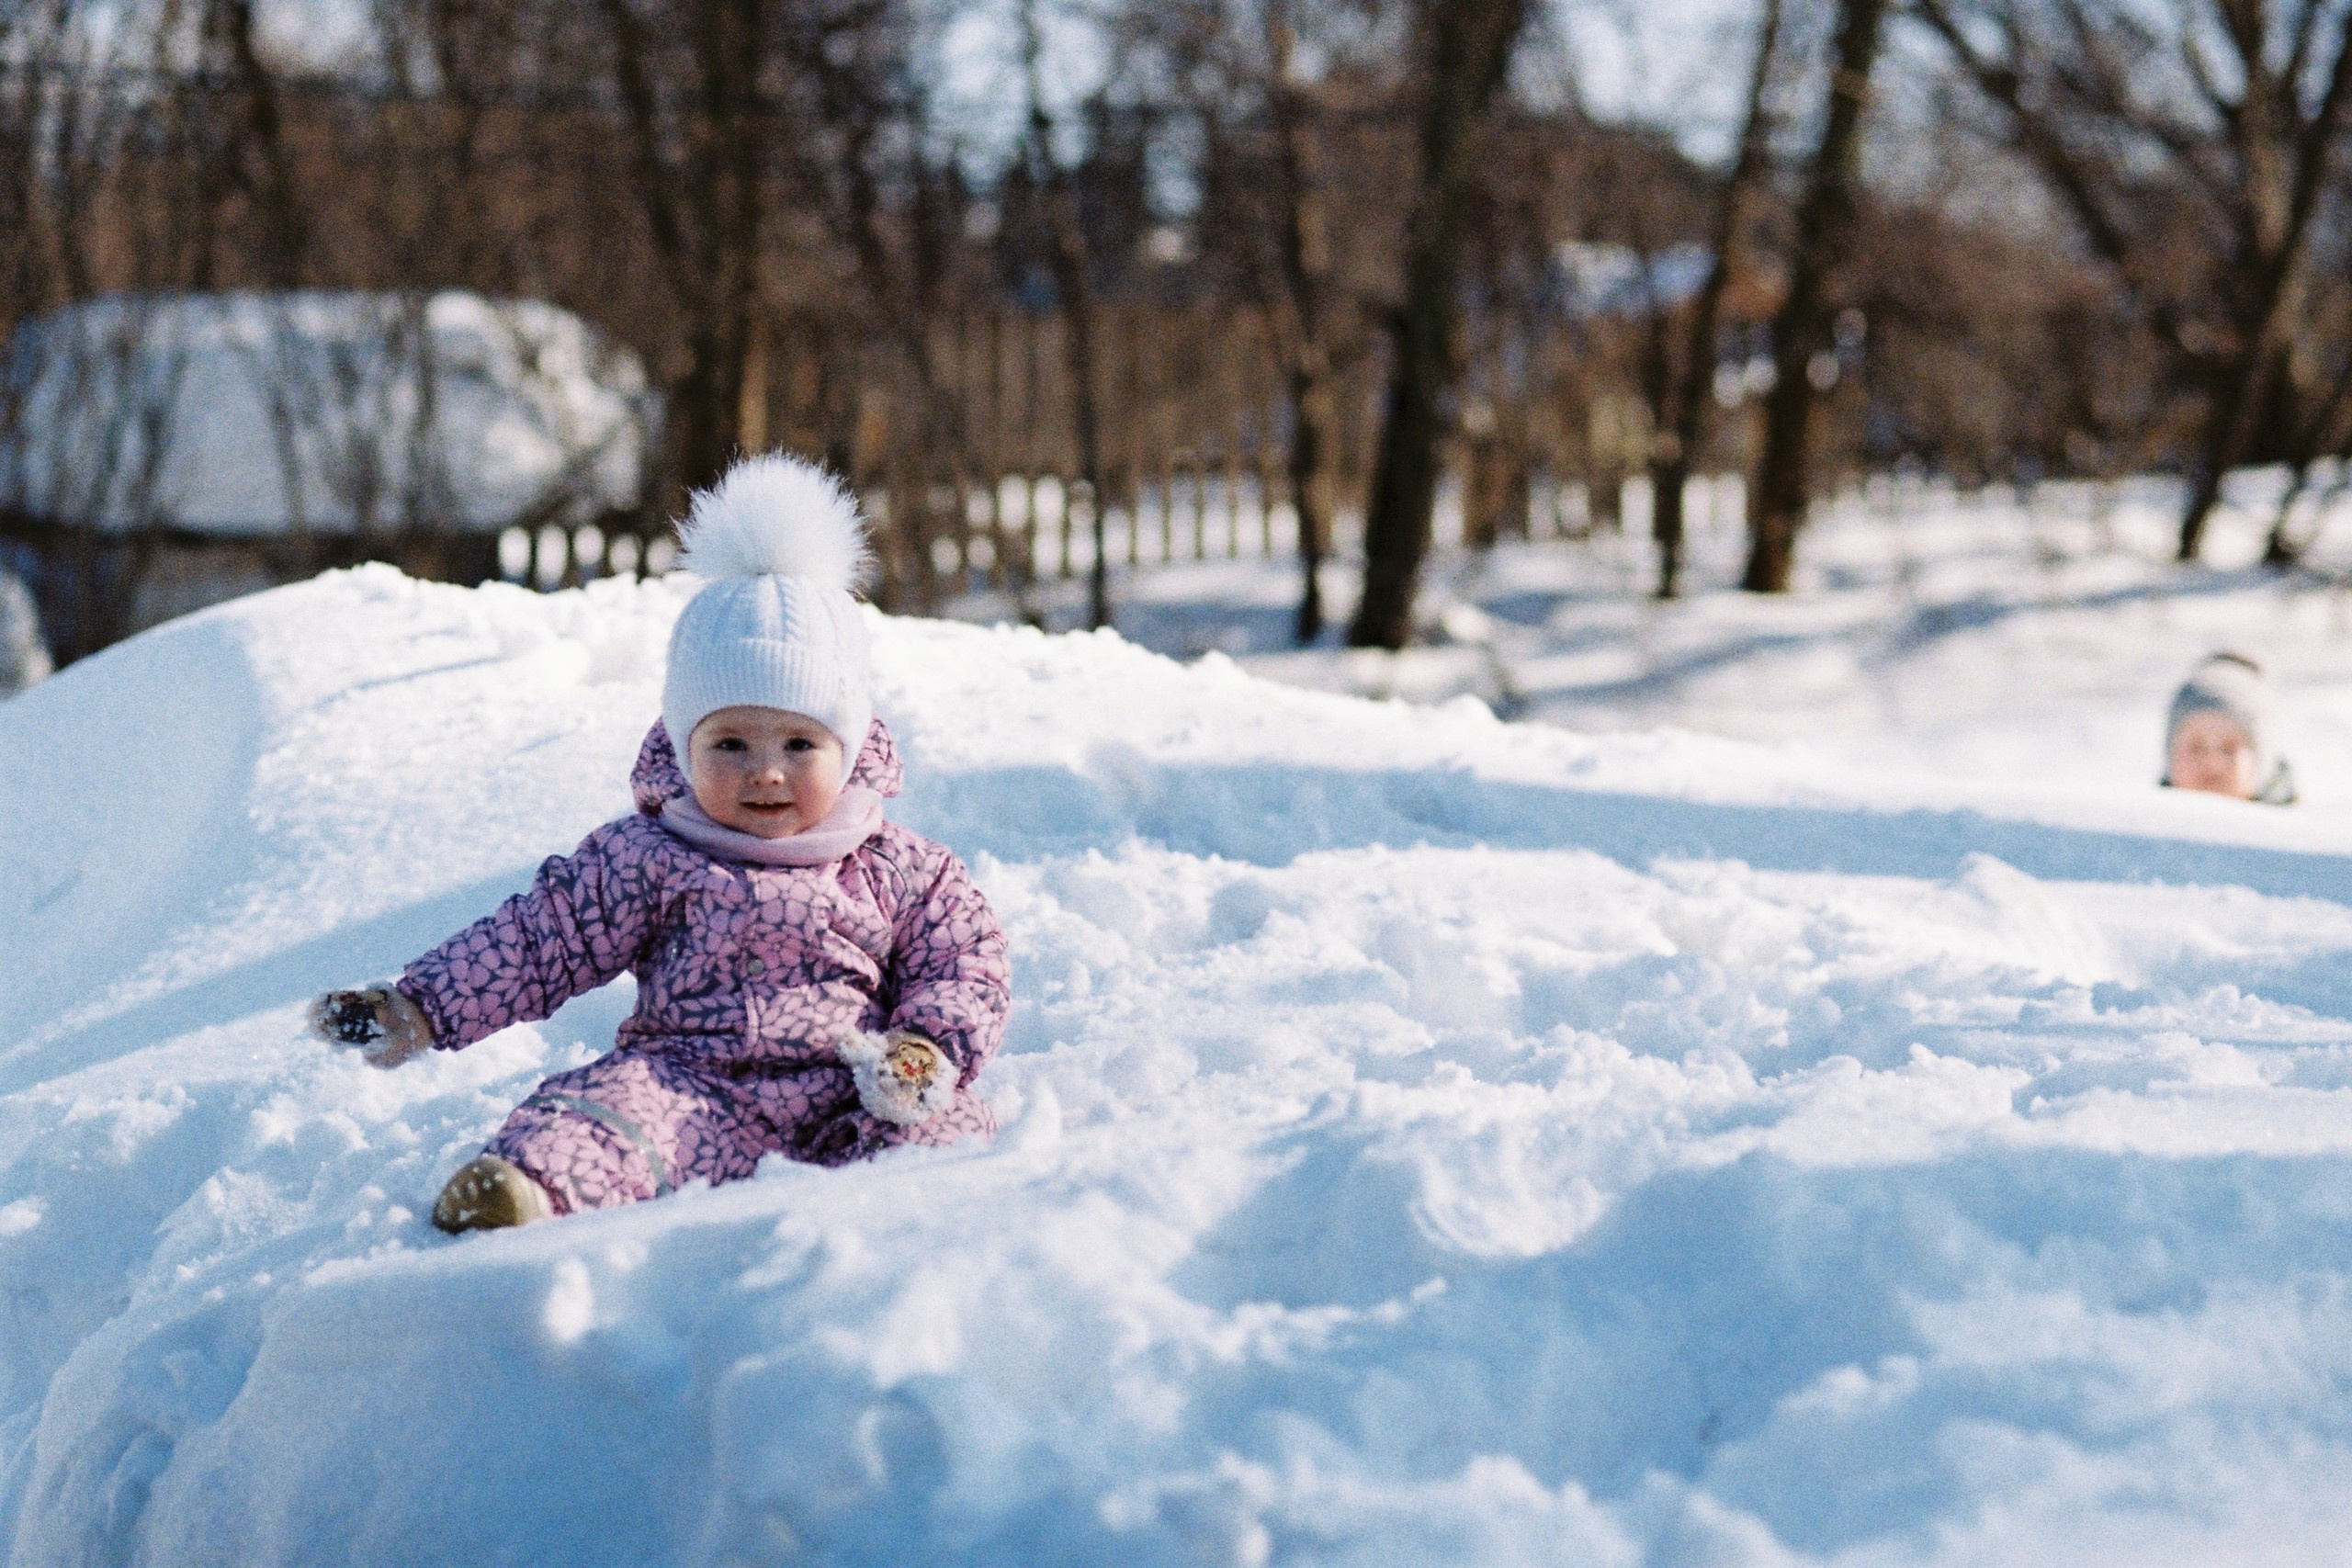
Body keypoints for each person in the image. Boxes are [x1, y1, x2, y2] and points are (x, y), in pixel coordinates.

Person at [309, 455, 1010, 1232]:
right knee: (605, 1112)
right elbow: (541, 938)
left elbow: (966, 959)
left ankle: (916, 1232)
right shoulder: (650, 854)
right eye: (731, 743)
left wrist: (926, 1047)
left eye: (799, 745)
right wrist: (421, 1005)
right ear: (682, 744)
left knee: (949, 1125)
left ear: (847, 747)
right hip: (689, 1084)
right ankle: (524, 1191)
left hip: (854, 1089)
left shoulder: (897, 867)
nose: (766, 771)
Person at [2162, 650, 2296, 805]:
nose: (2212, 763)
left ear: (2261, 761)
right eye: (2195, 748)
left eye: (2229, 749)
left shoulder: (2285, 820)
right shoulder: (2146, 818)